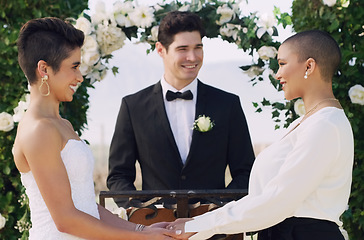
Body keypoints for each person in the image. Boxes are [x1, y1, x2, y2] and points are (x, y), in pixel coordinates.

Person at [168, 30, 354, 240]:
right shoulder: (308, 122)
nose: (277, 74)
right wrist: (198, 224)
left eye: (283, 64)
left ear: (309, 66)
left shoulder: (325, 124)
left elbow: (277, 200)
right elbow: (266, 198)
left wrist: (201, 225)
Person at [12, 17, 179, 240]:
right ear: (44, 69)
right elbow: (65, 219)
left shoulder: (62, 125)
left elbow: (87, 206)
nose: (79, 77)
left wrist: (143, 229)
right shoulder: (38, 130)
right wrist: (143, 239)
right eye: (74, 67)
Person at [107, 11, 255, 208]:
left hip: (216, 230)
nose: (192, 57)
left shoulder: (228, 104)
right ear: (161, 50)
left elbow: (246, 172)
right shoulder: (132, 107)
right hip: (155, 230)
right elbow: (118, 176)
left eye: (198, 48)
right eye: (183, 49)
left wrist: (219, 209)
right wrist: (146, 212)